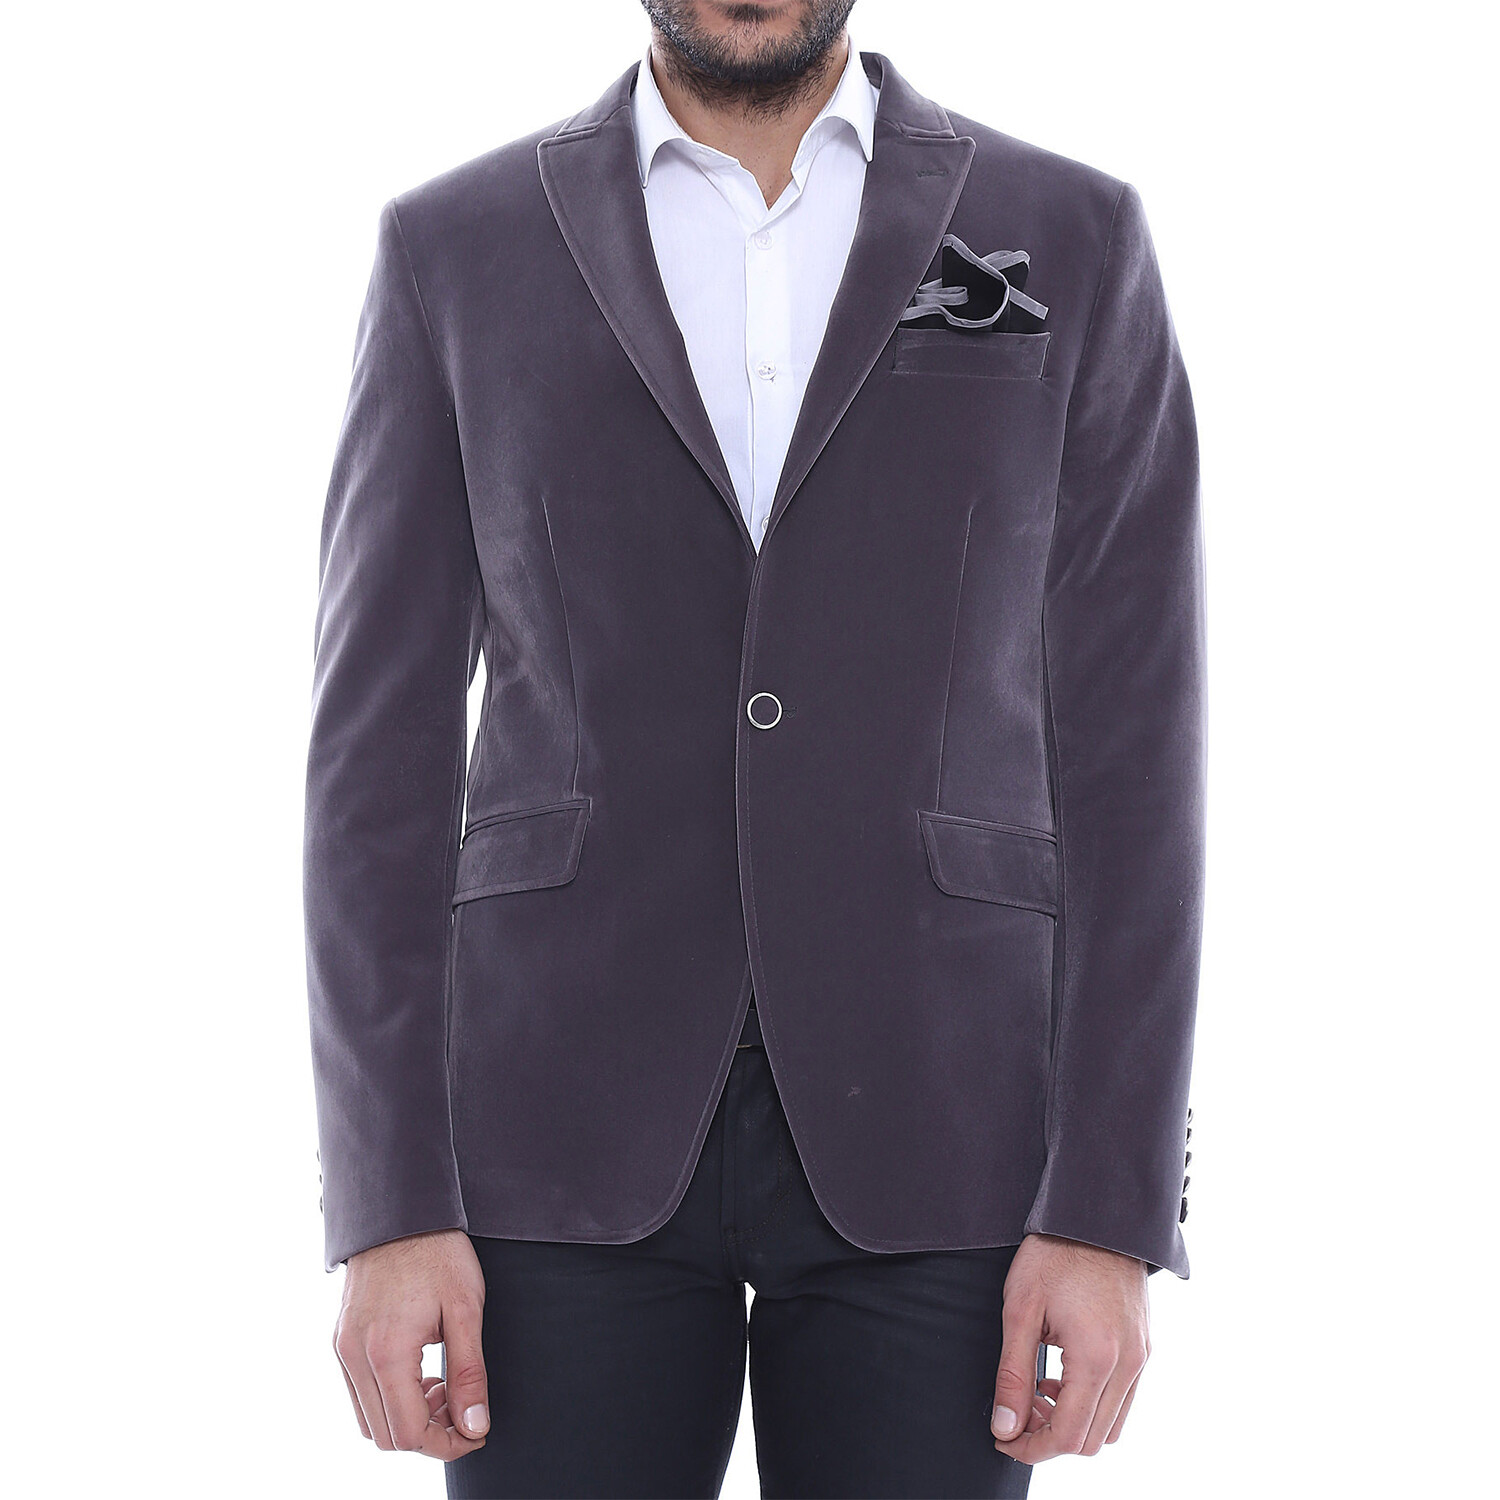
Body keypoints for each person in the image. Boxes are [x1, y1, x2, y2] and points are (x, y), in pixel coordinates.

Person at [304, 2, 1205, 1494]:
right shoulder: (452, 249)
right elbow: (373, 768)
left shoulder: (1073, 234)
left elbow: (1136, 753)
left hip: (946, 1123)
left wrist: (1108, 1208)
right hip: (550, 1133)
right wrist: (388, 1201)